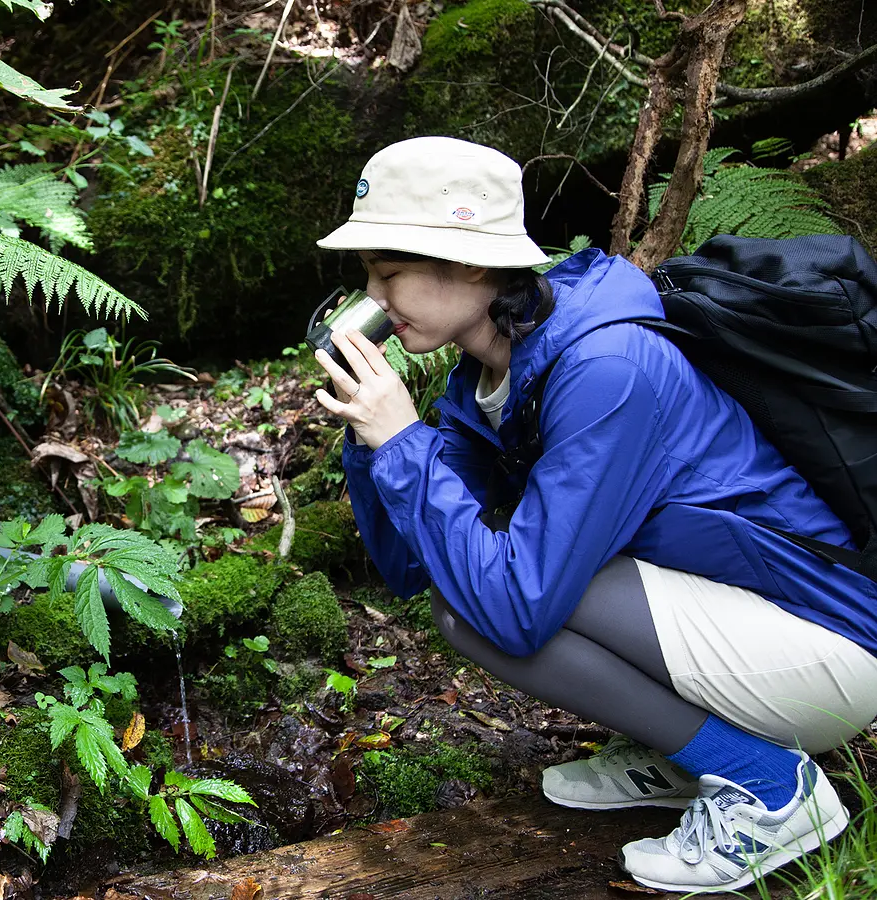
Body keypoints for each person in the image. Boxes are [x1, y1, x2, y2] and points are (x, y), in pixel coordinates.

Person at [311, 136, 877, 893]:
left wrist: (406, 443)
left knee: (483, 605)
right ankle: (683, 750)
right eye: (367, 279)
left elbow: (515, 610)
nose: (372, 303)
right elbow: (411, 563)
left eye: (388, 274)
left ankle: (770, 788)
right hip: (740, 619)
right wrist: (370, 439)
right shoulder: (490, 375)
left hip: (829, 647)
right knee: (463, 590)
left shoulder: (607, 367)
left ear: (472, 263)